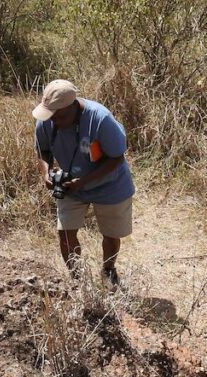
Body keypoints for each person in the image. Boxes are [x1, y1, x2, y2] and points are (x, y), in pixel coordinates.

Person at [33, 80, 135, 286]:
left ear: (73, 106)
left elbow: (117, 157)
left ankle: (108, 270)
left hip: (110, 185)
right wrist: (46, 173)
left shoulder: (100, 119)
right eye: (50, 115)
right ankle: (77, 280)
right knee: (65, 233)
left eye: (59, 116)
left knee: (111, 234)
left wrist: (85, 181)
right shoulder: (47, 118)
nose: (53, 121)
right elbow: (42, 150)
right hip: (71, 185)